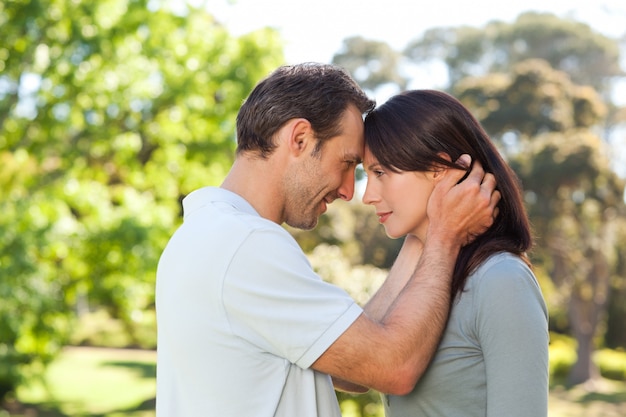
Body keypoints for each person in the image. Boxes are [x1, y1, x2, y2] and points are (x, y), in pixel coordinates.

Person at [155, 63, 500, 417]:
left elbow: (350, 370)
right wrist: (444, 236)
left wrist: (422, 233)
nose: (349, 191)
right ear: (300, 139)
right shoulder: (248, 244)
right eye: (347, 162)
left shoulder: (199, 238)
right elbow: (394, 369)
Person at [360, 89, 549, 417]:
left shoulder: (501, 281)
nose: (367, 196)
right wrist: (427, 235)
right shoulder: (422, 280)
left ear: (439, 168)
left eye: (380, 173)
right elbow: (357, 365)